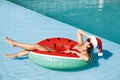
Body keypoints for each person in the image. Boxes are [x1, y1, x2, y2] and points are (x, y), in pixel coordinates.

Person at [3, 29, 103, 62]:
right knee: (36, 47)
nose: (87, 42)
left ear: (91, 46)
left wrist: (72, 51)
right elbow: (78, 31)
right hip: (58, 51)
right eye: (88, 40)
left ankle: (14, 43)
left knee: (37, 47)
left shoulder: (85, 52)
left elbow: (86, 59)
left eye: (90, 43)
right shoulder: (81, 43)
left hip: (59, 54)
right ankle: (16, 53)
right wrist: (89, 36)